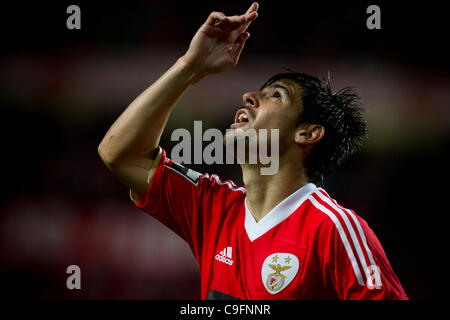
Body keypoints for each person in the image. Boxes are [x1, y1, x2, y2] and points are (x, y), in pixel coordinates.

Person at [98, 2, 408, 300]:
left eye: (276, 95)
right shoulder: (212, 207)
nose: (248, 96)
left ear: (307, 133)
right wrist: (189, 67)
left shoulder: (335, 229)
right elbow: (120, 154)